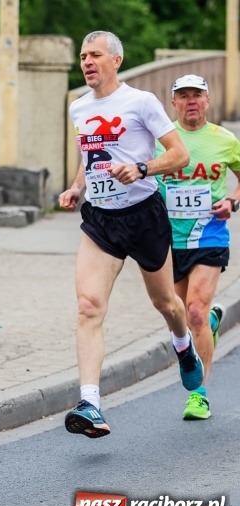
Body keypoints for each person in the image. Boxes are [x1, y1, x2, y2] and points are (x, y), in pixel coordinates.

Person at [58, 31, 203, 438]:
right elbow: (89, 156)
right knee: (88, 306)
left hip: (144, 216)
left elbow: (179, 154)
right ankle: (90, 403)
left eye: (95, 55)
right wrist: (77, 187)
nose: (87, 62)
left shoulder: (141, 102)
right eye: (83, 56)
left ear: (116, 61)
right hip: (101, 220)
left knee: (166, 303)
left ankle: (183, 345)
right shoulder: (79, 107)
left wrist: (142, 169)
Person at [155, 74, 240, 420]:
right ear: (173, 103)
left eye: (197, 95)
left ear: (207, 100)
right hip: (169, 241)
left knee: (193, 312)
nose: (191, 101)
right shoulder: (159, 141)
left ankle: (199, 395)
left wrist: (232, 202)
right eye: (184, 95)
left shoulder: (225, 139)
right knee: (179, 318)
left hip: (209, 234)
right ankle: (211, 323)